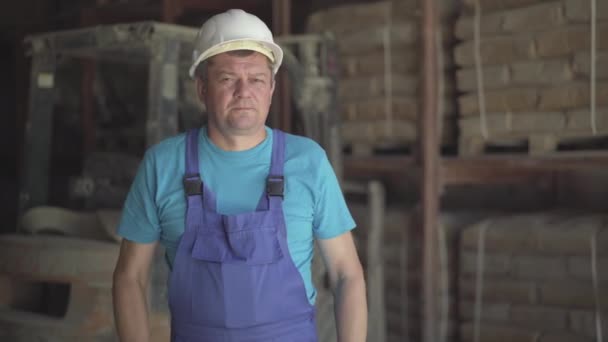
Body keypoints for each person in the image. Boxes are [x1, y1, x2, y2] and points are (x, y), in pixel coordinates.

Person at [112, 8, 367, 342]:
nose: (244, 91)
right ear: (201, 88)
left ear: (272, 87)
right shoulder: (163, 164)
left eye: (257, 79)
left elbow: (347, 274)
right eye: (228, 78)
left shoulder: (308, 162)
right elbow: (130, 278)